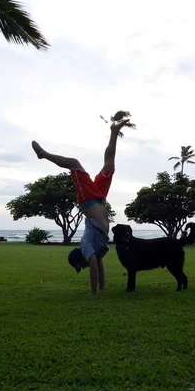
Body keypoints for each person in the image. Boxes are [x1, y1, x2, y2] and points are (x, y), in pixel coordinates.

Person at [31, 118, 131, 294]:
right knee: (109, 165)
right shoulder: (94, 251)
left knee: (75, 164)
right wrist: (100, 289)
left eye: (80, 266)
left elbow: (93, 268)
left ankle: (43, 154)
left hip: (89, 200)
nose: (83, 267)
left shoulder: (86, 248)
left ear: (79, 259)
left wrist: (93, 293)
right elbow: (99, 269)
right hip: (97, 199)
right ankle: (114, 132)